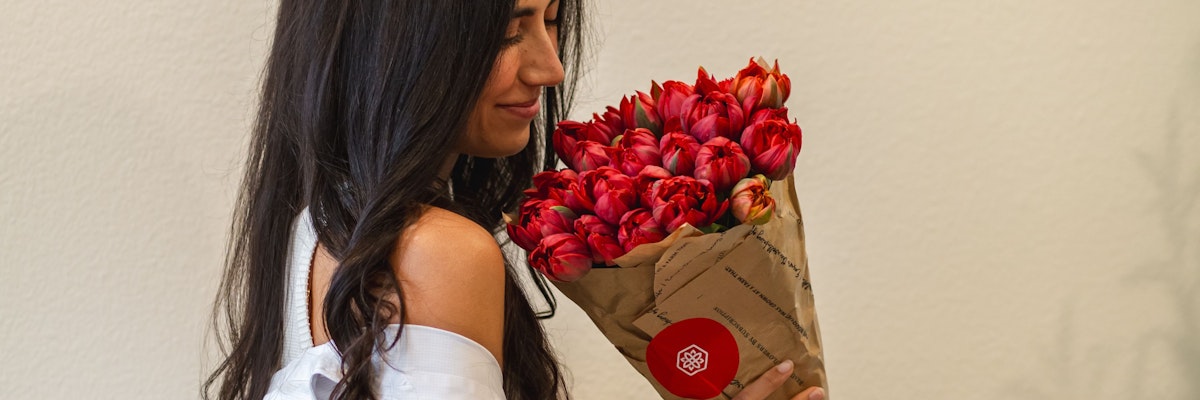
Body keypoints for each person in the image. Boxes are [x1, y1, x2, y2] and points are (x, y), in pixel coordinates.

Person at [204, 0, 827, 399]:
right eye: (508, 29)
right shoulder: (440, 253)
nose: (550, 67)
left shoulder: (314, 227)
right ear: (395, 42)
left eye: (550, 20)